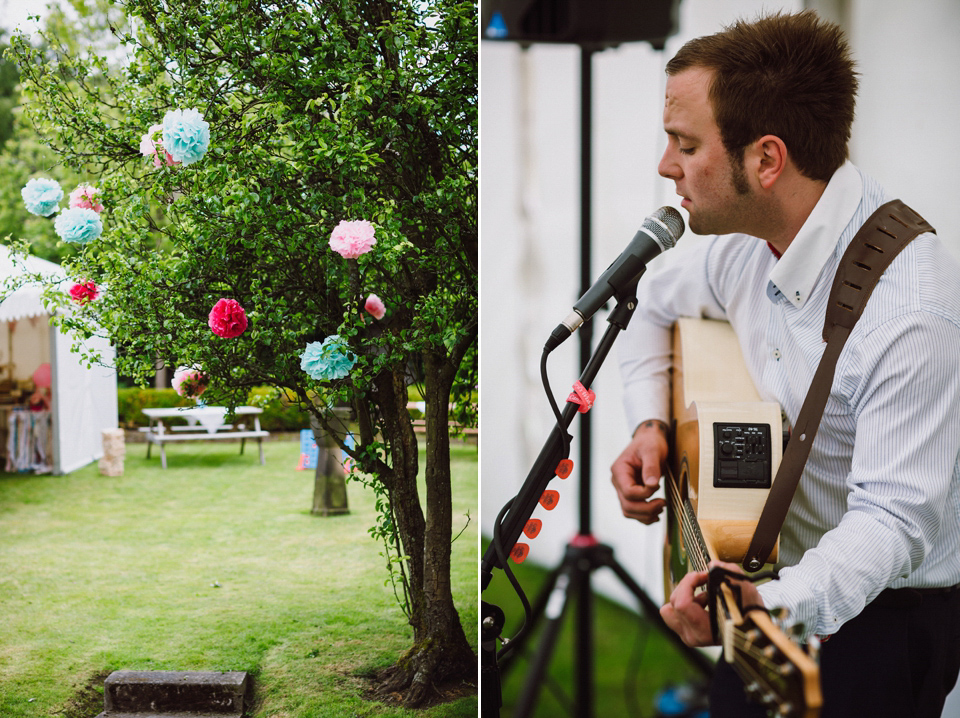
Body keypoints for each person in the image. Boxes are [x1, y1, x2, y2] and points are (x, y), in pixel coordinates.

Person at [609, 11, 960, 718]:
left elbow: (892, 521)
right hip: (768, 581)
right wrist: (650, 422)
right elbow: (648, 304)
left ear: (766, 161)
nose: (664, 165)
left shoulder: (909, 312)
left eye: (685, 144)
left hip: (886, 623)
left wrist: (764, 605)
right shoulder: (745, 243)